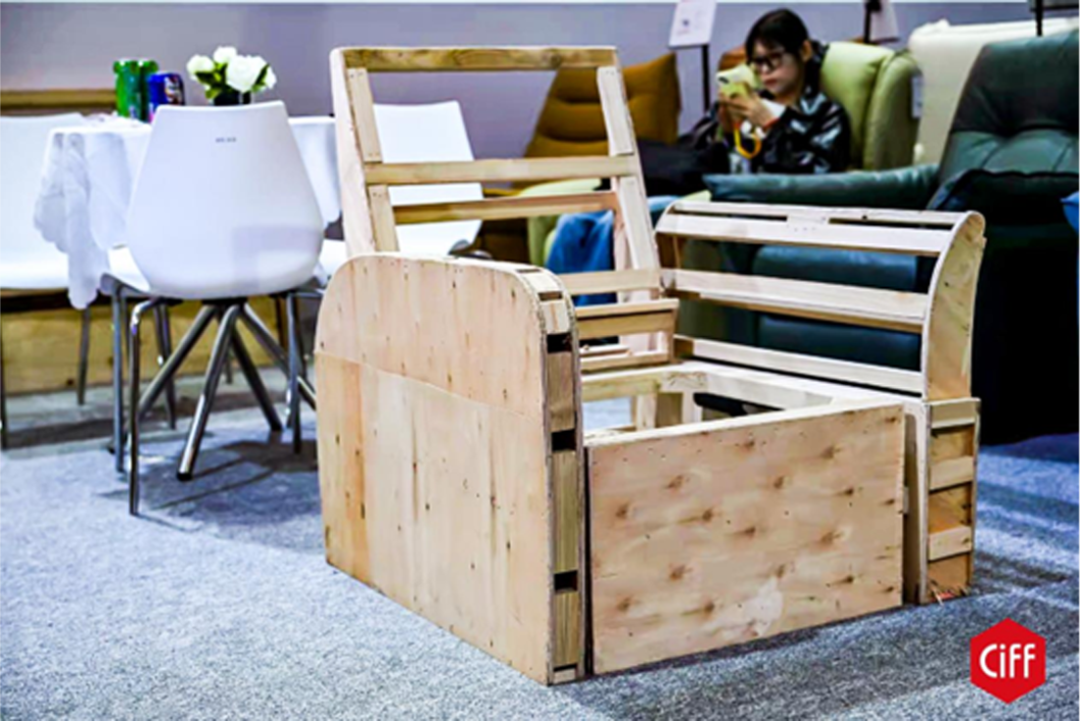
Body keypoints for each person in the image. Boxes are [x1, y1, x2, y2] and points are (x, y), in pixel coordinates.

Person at [720, 9, 850, 174]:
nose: (765, 70)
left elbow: (819, 175)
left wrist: (772, 129)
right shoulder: (750, 102)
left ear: (804, 51)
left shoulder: (827, 116)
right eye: (758, 62)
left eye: (774, 57)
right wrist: (727, 133)